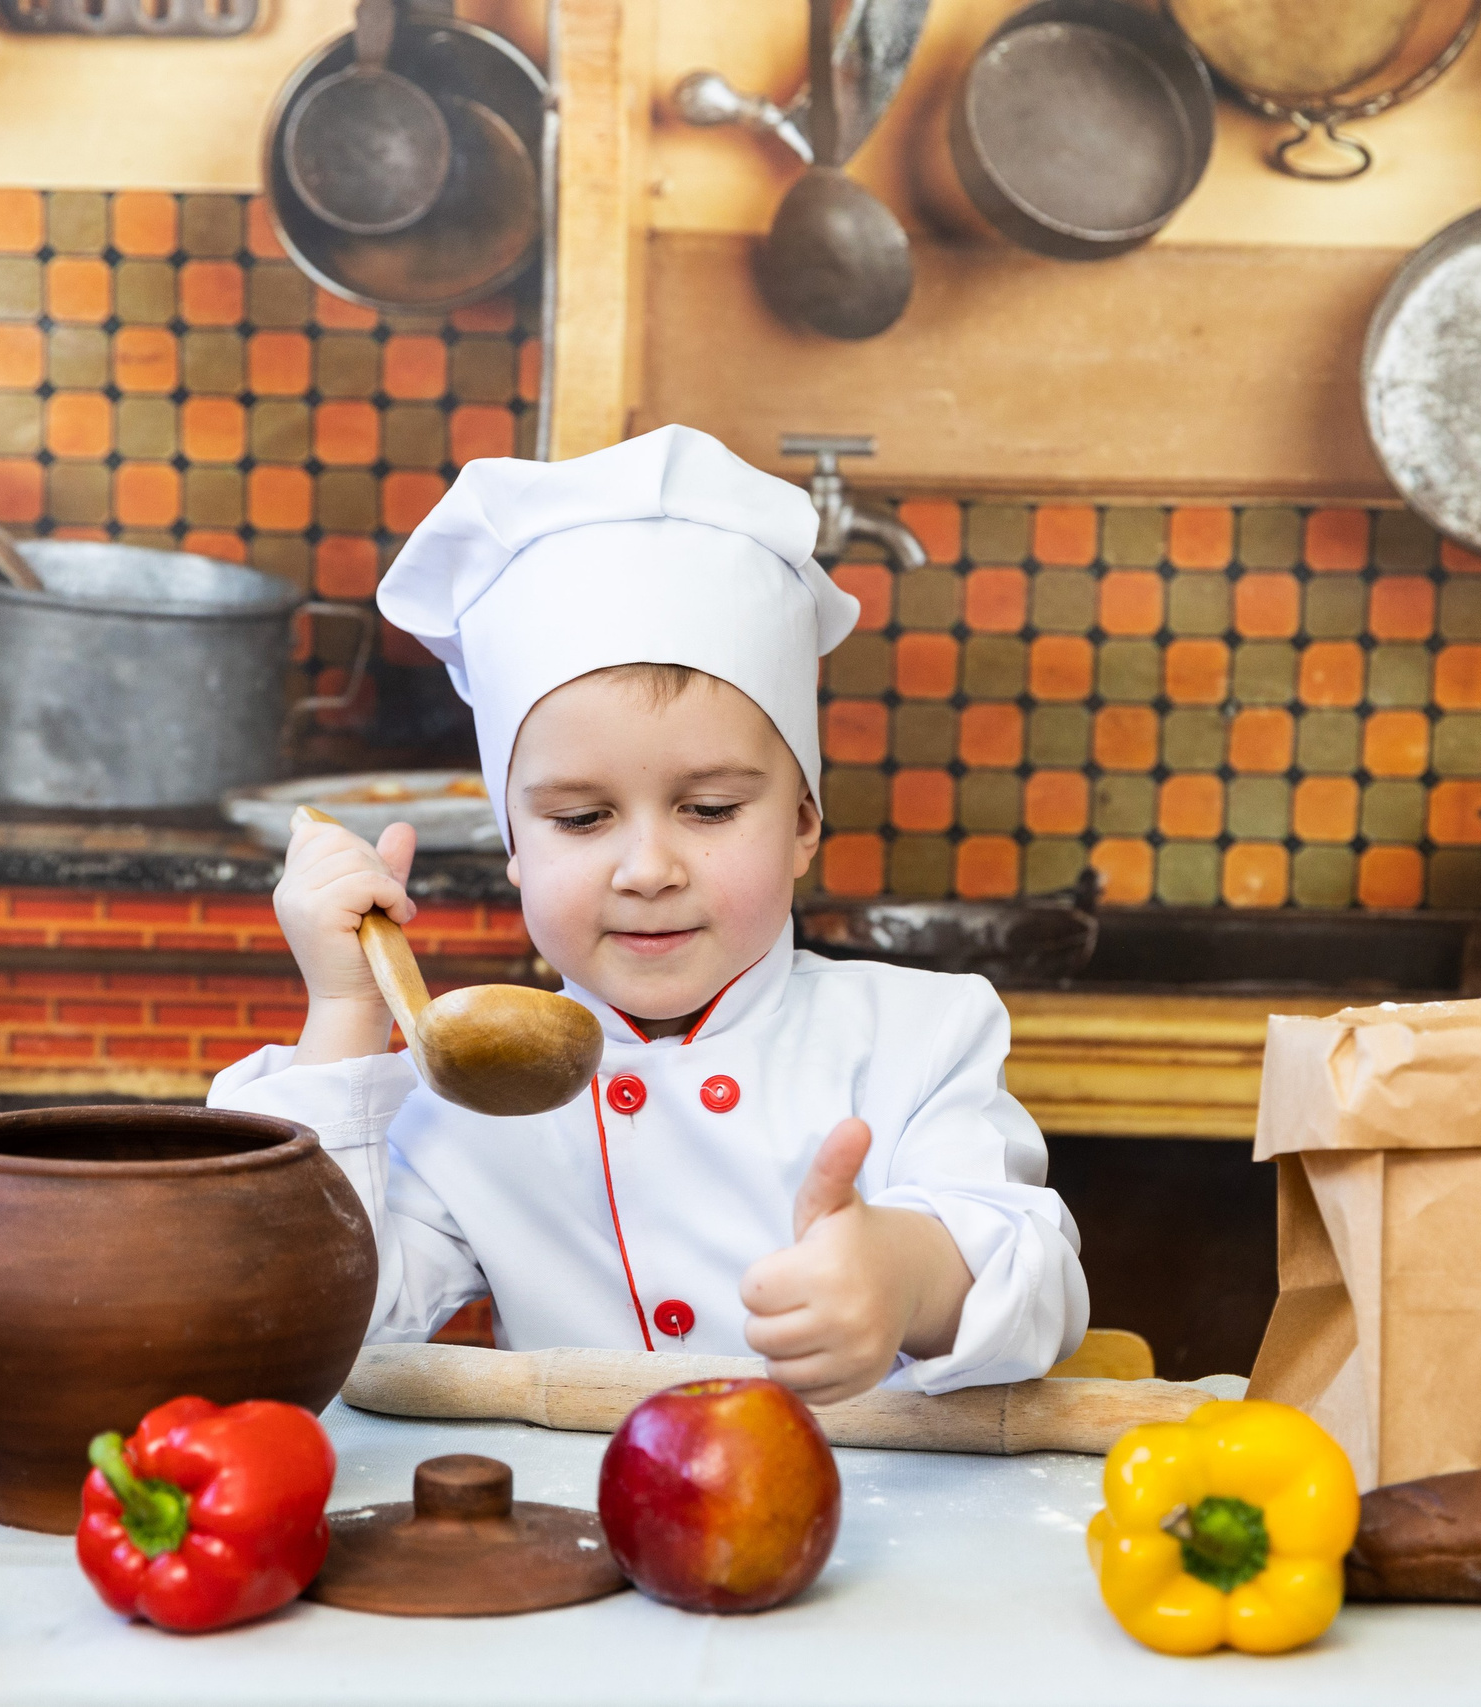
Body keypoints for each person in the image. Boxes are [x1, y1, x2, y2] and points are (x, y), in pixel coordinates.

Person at [211, 425, 1087, 1403]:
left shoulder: (919, 1036)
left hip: (862, 1531)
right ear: (512, 844)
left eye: (708, 809)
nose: (647, 868)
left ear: (802, 826)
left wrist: (903, 1276)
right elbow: (293, 1316)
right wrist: (344, 1014)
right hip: (576, 1536)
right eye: (580, 819)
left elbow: (1039, 1283)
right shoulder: (471, 1096)